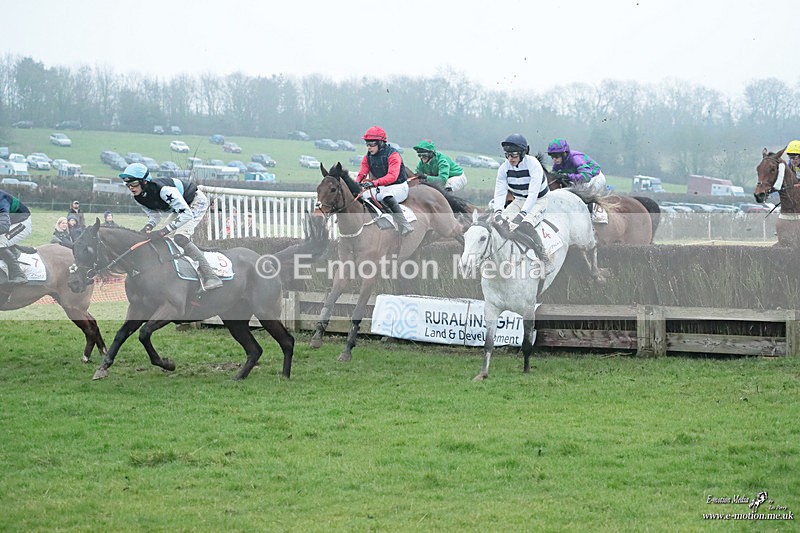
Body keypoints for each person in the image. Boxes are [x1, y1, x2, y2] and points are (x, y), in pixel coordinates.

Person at [119, 162, 223, 290]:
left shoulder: (164, 190)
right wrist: (148, 227)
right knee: (163, 238)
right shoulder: (138, 197)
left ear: (144, 182)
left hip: (196, 202)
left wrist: (163, 231)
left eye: (134, 184)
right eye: (128, 185)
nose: (131, 188)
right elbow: (154, 217)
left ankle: (211, 276)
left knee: (180, 237)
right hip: (180, 208)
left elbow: (187, 214)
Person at [492, 133, 552, 272]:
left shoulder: (533, 164)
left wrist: (522, 215)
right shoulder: (504, 168)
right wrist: (498, 213)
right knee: (499, 225)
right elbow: (500, 193)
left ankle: (544, 258)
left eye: (513, 154)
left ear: (523, 153)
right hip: (519, 199)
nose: (510, 158)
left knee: (525, 224)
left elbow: (533, 193)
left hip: (538, 200)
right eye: (507, 154)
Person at [355, 126, 414, 236]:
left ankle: (404, 224)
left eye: (372, 144)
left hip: (398, 186)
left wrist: (373, 183)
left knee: (386, 195)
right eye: (367, 144)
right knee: (362, 196)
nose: (369, 147)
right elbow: (362, 173)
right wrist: (357, 183)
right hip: (381, 186)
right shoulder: (367, 157)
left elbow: (392, 176)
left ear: (381, 143)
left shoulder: (393, 155)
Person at [0, 188, 33, 284]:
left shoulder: (2, 200)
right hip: (9, 222)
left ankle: (18, 274)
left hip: (22, 223)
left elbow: (4, 226)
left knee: (0, 242)